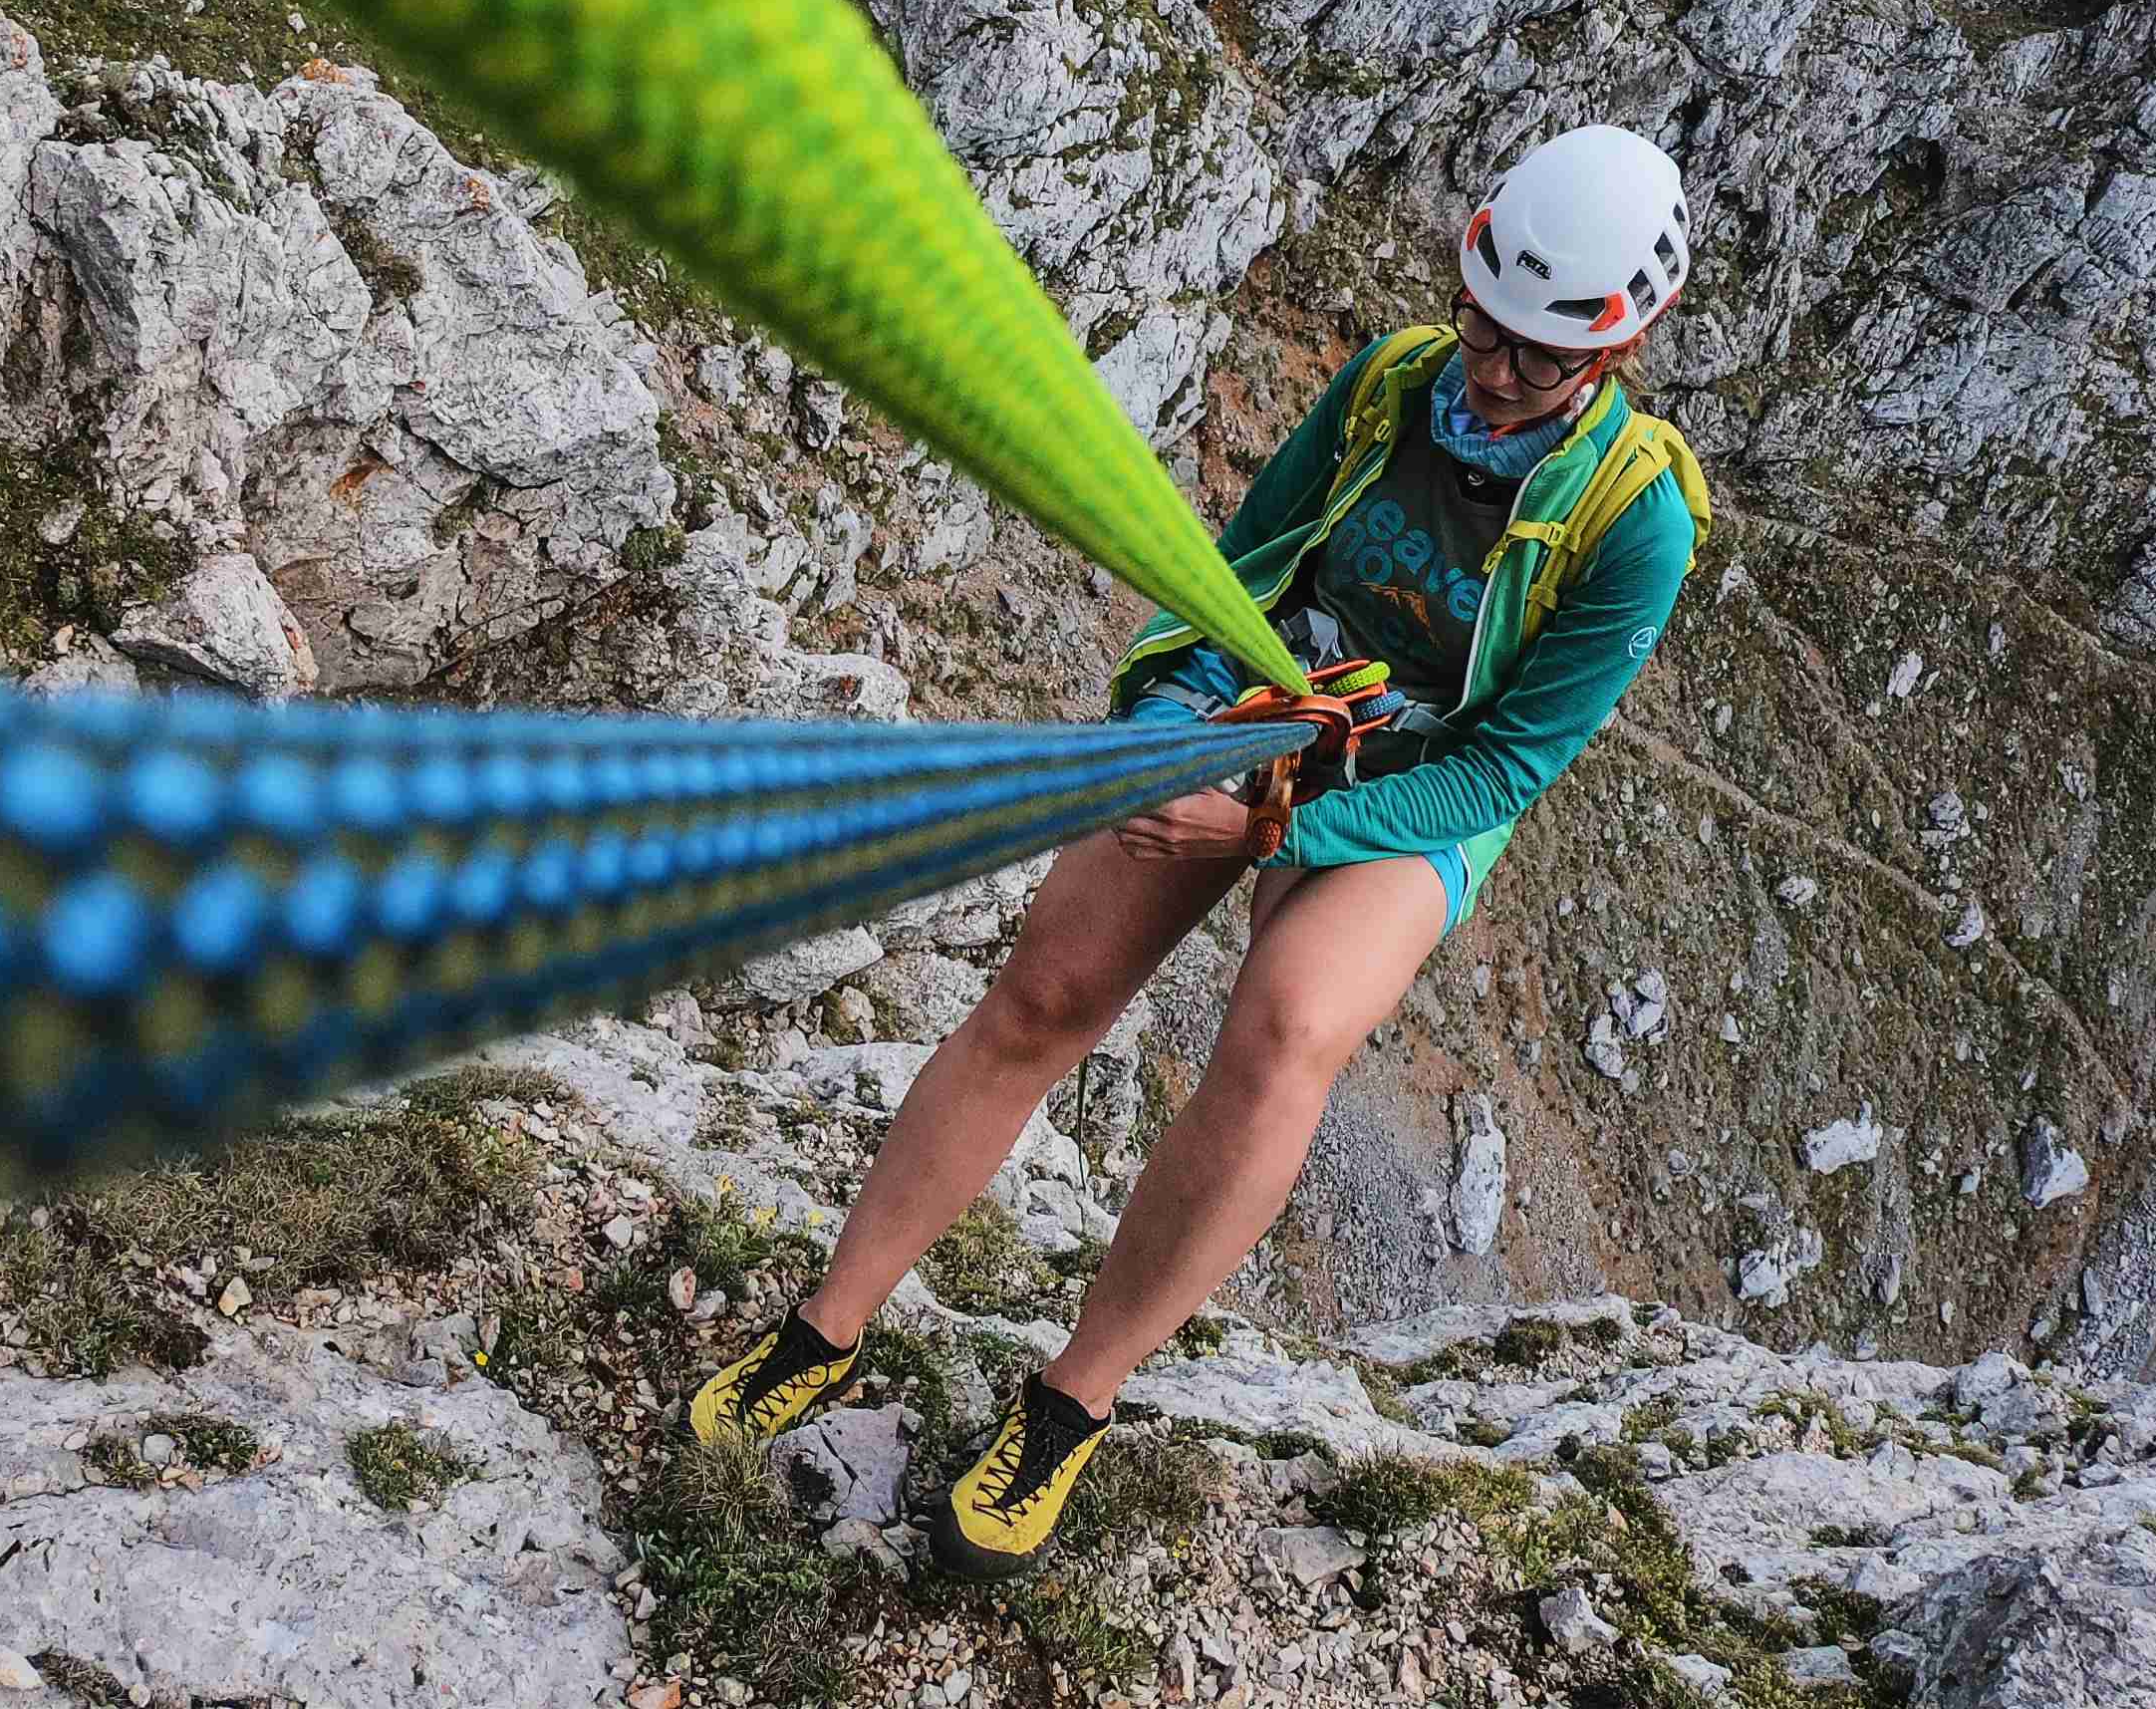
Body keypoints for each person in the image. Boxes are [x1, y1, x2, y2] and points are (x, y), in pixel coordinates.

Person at [685, 125, 1711, 1577]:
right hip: (1262, 703)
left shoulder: (1636, 527)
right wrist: (1172, 720)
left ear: (1618, 350)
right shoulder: (1391, 384)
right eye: (1486, 325)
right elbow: (1241, 561)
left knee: (1287, 1029)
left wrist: (1276, 822)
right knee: (1045, 996)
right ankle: (826, 1325)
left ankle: (1067, 1406)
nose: (1492, 370)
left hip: (1411, 791)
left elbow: (1505, 766)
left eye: (1539, 358)